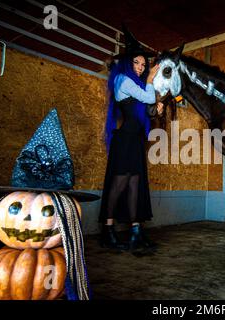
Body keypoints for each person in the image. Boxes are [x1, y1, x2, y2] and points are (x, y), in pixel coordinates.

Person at [99, 32, 164, 253]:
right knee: (120, 183)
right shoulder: (122, 79)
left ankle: (136, 231)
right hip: (124, 138)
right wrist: (150, 82)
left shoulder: (135, 83)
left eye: (143, 64)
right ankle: (108, 231)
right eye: (136, 62)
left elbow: (146, 107)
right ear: (128, 62)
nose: (140, 66)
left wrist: (156, 109)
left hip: (135, 139)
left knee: (136, 183)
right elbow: (147, 97)